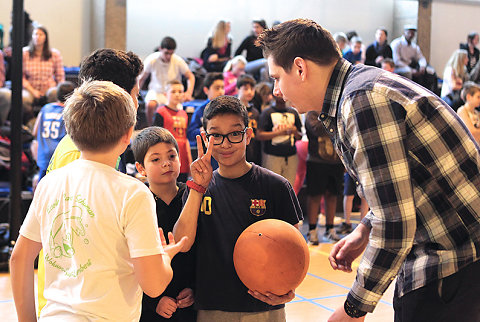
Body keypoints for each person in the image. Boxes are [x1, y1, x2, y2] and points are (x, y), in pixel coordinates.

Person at [257, 18, 480, 321]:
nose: (276, 91)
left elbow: (396, 223)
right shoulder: (361, 87)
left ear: (300, 68)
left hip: (455, 264)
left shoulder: (362, 101)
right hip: (453, 261)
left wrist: (353, 309)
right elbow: (405, 187)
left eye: (276, 78)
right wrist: (364, 229)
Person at [9, 80, 187, 321]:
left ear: (71, 131)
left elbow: (19, 258)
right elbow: (154, 286)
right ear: (127, 135)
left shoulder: (50, 183)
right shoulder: (133, 192)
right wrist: (165, 256)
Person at [173, 95, 303, 322]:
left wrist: (289, 287)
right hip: (213, 307)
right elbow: (181, 242)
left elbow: (294, 249)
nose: (225, 143)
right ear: (205, 138)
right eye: (216, 135)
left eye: (234, 133)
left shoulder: (276, 186)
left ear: (248, 135)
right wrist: (197, 188)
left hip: (265, 306)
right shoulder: (196, 189)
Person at [37, 48, 144, 315]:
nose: (139, 103)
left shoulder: (93, 148)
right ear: (118, 99)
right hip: (74, 300)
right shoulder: (77, 154)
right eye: (136, 95)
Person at [132, 127, 196, 322]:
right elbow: (130, 261)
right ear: (140, 168)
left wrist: (195, 289)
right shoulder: (136, 202)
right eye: (156, 159)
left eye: (172, 156)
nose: (166, 163)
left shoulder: (192, 197)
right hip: (150, 307)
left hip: (188, 304)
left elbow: (203, 251)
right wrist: (153, 300)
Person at [305, 111, 345, 244]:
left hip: (336, 160)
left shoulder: (336, 109)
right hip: (317, 160)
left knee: (332, 195)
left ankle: (330, 229)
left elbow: (343, 127)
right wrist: (333, 120)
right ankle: (312, 231)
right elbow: (317, 129)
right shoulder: (312, 112)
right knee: (315, 195)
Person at [139, 36, 195, 126]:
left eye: (171, 53)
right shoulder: (152, 59)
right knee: (150, 105)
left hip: (173, 93)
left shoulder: (177, 60)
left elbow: (190, 76)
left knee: (178, 110)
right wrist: (136, 93)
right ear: (160, 49)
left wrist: (188, 93)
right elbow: (141, 78)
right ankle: (151, 127)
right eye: (166, 53)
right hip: (156, 92)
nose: (168, 56)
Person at [32, 81, 75, 181]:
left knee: (42, 189)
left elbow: (35, 132)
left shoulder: (45, 108)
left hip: (44, 156)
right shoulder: (69, 111)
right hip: (60, 157)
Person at [257, 95, 303, 187]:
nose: (281, 96)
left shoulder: (293, 112)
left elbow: (300, 136)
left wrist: (295, 132)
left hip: (291, 156)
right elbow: (259, 135)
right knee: (271, 187)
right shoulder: (267, 112)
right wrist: (279, 133)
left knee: (289, 187)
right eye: (279, 94)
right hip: (272, 156)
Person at [22, 25, 65, 123]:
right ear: (32, 37)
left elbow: (60, 76)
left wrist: (58, 88)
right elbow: (21, 77)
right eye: (35, 34)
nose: (37, 37)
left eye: (40, 34)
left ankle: (51, 120)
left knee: (55, 93)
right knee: (23, 99)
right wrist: (33, 91)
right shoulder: (24, 53)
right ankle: (31, 122)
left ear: (45, 37)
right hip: (30, 89)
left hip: (48, 87)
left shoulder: (54, 54)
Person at [153, 80, 192, 182]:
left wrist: (190, 161)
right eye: (173, 91)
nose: (177, 94)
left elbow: (185, 138)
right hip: (168, 156)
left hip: (182, 156)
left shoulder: (184, 113)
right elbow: (155, 138)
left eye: (180, 91)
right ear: (166, 94)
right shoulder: (161, 112)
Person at [187, 72, 225, 159]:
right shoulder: (200, 110)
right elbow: (190, 134)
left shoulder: (227, 109)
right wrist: (203, 130)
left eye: (222, 88)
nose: (221, 91)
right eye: (217, 88)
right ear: (206, 90)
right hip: (207, 153)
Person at [237, 74, 261, 166]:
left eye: (252, 89)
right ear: (238, 89)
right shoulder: (233, 109)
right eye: (246, 89)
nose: (250, 92)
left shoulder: (255, 111)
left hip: (253, 153)